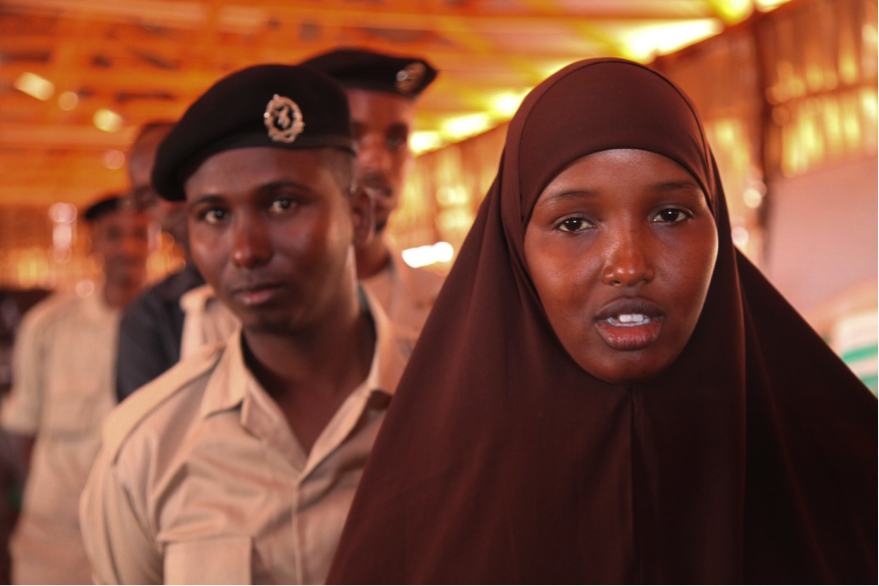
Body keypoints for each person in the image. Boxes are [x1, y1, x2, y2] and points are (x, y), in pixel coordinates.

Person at [327, 58, 878, 585]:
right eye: (574, 222)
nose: (630, 265)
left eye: (670, 215)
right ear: (515, 250)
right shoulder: (424, 513)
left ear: (718, 224)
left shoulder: (839, 470)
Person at [80, 64, 409, 586]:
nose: (246, 250)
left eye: (282, 203)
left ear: (359, 215)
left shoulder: (458, 404)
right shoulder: (147, 447)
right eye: (214, 215)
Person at [1, 194, 150, 586]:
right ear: (92, 243)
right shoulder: (48, 325)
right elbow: (22, 428)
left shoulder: (178, 322)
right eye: (114, 235)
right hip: (56, 534)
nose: (128, 248)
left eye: (139, 234)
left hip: (142, 528)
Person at [302, 48, 445, 351]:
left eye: (396, 140)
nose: (378, 164)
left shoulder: (452, 302)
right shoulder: (247, 308)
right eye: (353, 137)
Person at [115, 121, 236, 403]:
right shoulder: (151, 315)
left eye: (175, 183)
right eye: (150, 198)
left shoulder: (283, 279)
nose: (168, 206)